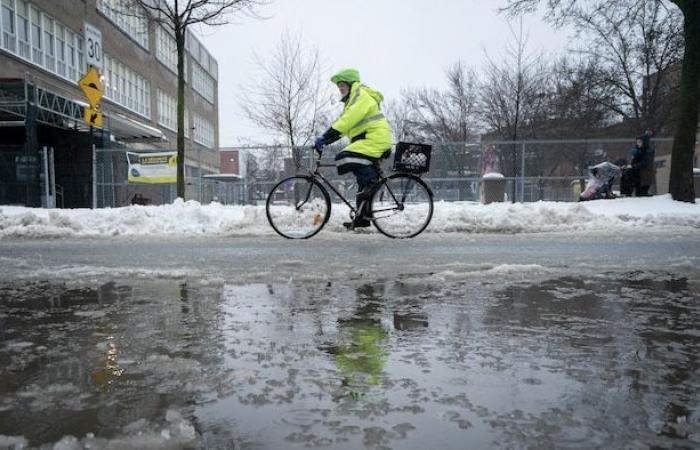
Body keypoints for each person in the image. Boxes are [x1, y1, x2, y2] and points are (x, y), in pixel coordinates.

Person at [314, 68, 393, 229]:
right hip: (369, 140)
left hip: (375, 140)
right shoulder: (352, 100)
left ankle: (372, 182)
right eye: (338, 86)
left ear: (351, 84)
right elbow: (344, 127)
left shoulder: (361, 96)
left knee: (344, 157)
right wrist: (326, 141)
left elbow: (346, 121)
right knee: (362, 184)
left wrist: (324, 137)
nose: (340, 89)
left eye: (342, 85)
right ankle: (363, 219)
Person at [629, 130, 656, 196]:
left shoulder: (648, 151)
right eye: (637, 142)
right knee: (638, 192)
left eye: (639, 142)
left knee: (642, 192)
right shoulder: (638, 151)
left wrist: (634, 166)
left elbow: (645, 163)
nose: (638, 143)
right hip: (638, 176)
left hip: (644, 175)